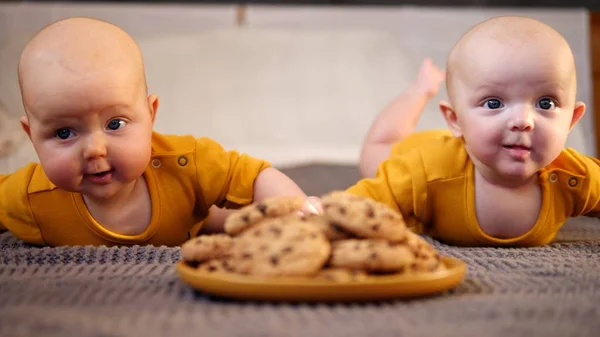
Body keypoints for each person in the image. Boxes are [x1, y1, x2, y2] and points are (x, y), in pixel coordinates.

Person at [0, 17, 317, 247]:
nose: (95, 149)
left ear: (150, 115)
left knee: (228, 214)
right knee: (216, 217)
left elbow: (256, 175)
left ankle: (213, 214)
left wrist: (302, 213)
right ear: (32, 136)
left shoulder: (185, 162)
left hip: (188, 207)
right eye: (65, 133)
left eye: (115, 125)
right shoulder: (30, 197)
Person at [336, 16, 595, 247]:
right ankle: (420, 90)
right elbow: (353, 207)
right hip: (418, 152)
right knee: (379, 147)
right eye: (494, 103)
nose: (523, 121)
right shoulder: (422, 173)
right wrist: (317, 213)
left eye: (545, 103)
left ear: (571, 119)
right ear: (455, 119)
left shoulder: (575, 177)